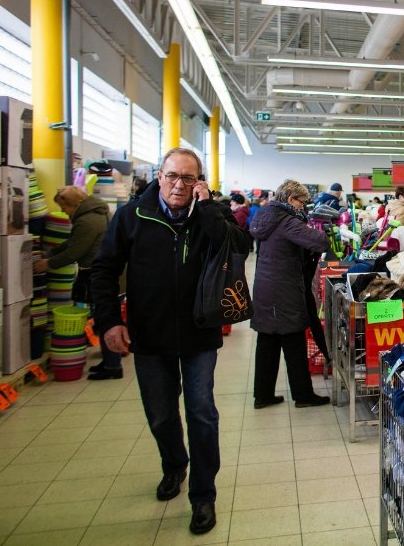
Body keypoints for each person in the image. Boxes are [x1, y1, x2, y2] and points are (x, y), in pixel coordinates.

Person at [91, 148, 249, 535]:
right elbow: (104, 268)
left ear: (200, 183)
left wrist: (209, 206)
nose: (180, 185)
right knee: (161, 414)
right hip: (149, 333)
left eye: (189, 178)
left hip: (199, 332)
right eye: (173, 176)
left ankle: (203, 495)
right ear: (159, 176)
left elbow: (239, 245)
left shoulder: (211, 214)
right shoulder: (133, 215)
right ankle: (175, 463)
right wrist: (109, 321)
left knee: (201, 412)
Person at [249, 180, 331, 409]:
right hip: (282, 289)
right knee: (294, 341)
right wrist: (319, 229)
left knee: (268, 342)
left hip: (267, 288)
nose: (304, 207)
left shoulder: (267, 216)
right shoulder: (286, 221)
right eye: (302, 202)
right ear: (290, 199)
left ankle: (263, 395)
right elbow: (319, 241)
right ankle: (303, 395)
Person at [35, 186, 119, 380]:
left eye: (64, 207)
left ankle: (112, 364)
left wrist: (47, 264)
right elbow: (73, 242)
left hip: (97, 273)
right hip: (105, 271)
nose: (63, 212)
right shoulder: (98, 213)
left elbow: (75, 252)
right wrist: (50, 253)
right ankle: (110, 361)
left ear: (74, 204)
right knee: (104, 315)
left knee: (105, 316)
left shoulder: (86, 220)